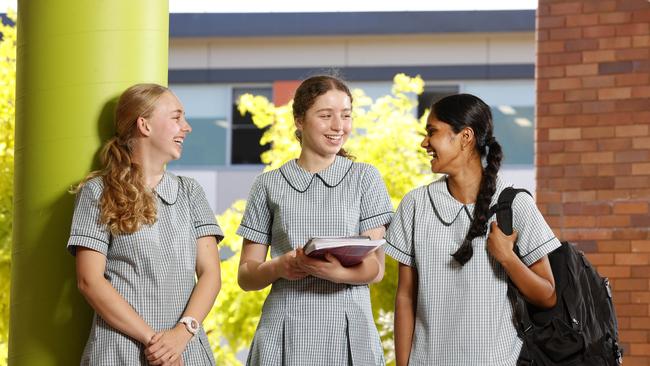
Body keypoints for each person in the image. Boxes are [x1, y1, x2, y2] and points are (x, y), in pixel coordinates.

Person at [385, 94, 560, 365]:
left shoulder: (514, 205)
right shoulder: (415, 205)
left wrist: (508, 258)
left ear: (465, 136)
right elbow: (406, 297)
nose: (424, 142)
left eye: (432, 132)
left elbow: (548, 295)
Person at [236, 75, 393, 365]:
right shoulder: (269, 184)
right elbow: (246, 276)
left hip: (348, 328)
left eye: (345, 116)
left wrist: (334, 273)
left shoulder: (364, 178)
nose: (338, 126)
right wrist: (280, 266)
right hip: (284, 329)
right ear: (299, 120)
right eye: (326, 115)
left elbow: (376, 267)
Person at [67, 83, 222, 365]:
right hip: (119, 351)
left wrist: (181, 334)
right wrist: (156, 342)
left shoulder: (191, 192)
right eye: (176, 118)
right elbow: (89, 281)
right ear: (145, 125)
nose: (186, 127)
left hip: (186, 349)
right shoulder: (97, 192)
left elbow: (211, 273)